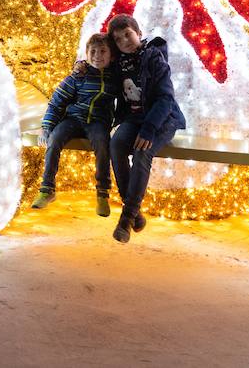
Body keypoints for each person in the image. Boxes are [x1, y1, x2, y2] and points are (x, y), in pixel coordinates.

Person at [106, 14, 185, 245]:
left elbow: (165, 98)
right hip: (135, 118)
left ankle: (127, 217)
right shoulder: (119, 63)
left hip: (161, 119)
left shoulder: (154, 58)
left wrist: (149, 129)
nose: (125, 42)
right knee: (116, 144)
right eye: (119, 40)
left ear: (138, 33)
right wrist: (81, 66)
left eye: (128, 35)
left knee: (142, 151)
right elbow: (96, 57)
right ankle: (134, 212)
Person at [31, 32, 118, 217]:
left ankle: (102, 193)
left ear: (111, 55)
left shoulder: (115, 77)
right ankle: (47, 189)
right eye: (93, 51)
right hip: (73, 119)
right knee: (54, 140)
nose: (97, 56)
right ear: (86, 54)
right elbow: (56, 102)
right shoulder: (79, 76)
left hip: (98, 122)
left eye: (103, 51)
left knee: (103, 145)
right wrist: (46, 127)